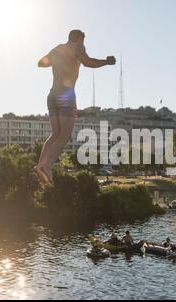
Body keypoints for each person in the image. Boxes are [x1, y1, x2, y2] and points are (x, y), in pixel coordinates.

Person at [34, 30, 116, 186]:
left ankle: (40, 165)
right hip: (66, 95)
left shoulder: (58, 48)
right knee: (65, 135)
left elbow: (40, 63)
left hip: (52, 95)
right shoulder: (77, 46)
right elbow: (88, 62)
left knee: (55, 133)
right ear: (79, 38)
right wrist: (106, 61)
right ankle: (47, 165)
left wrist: (57, 60)